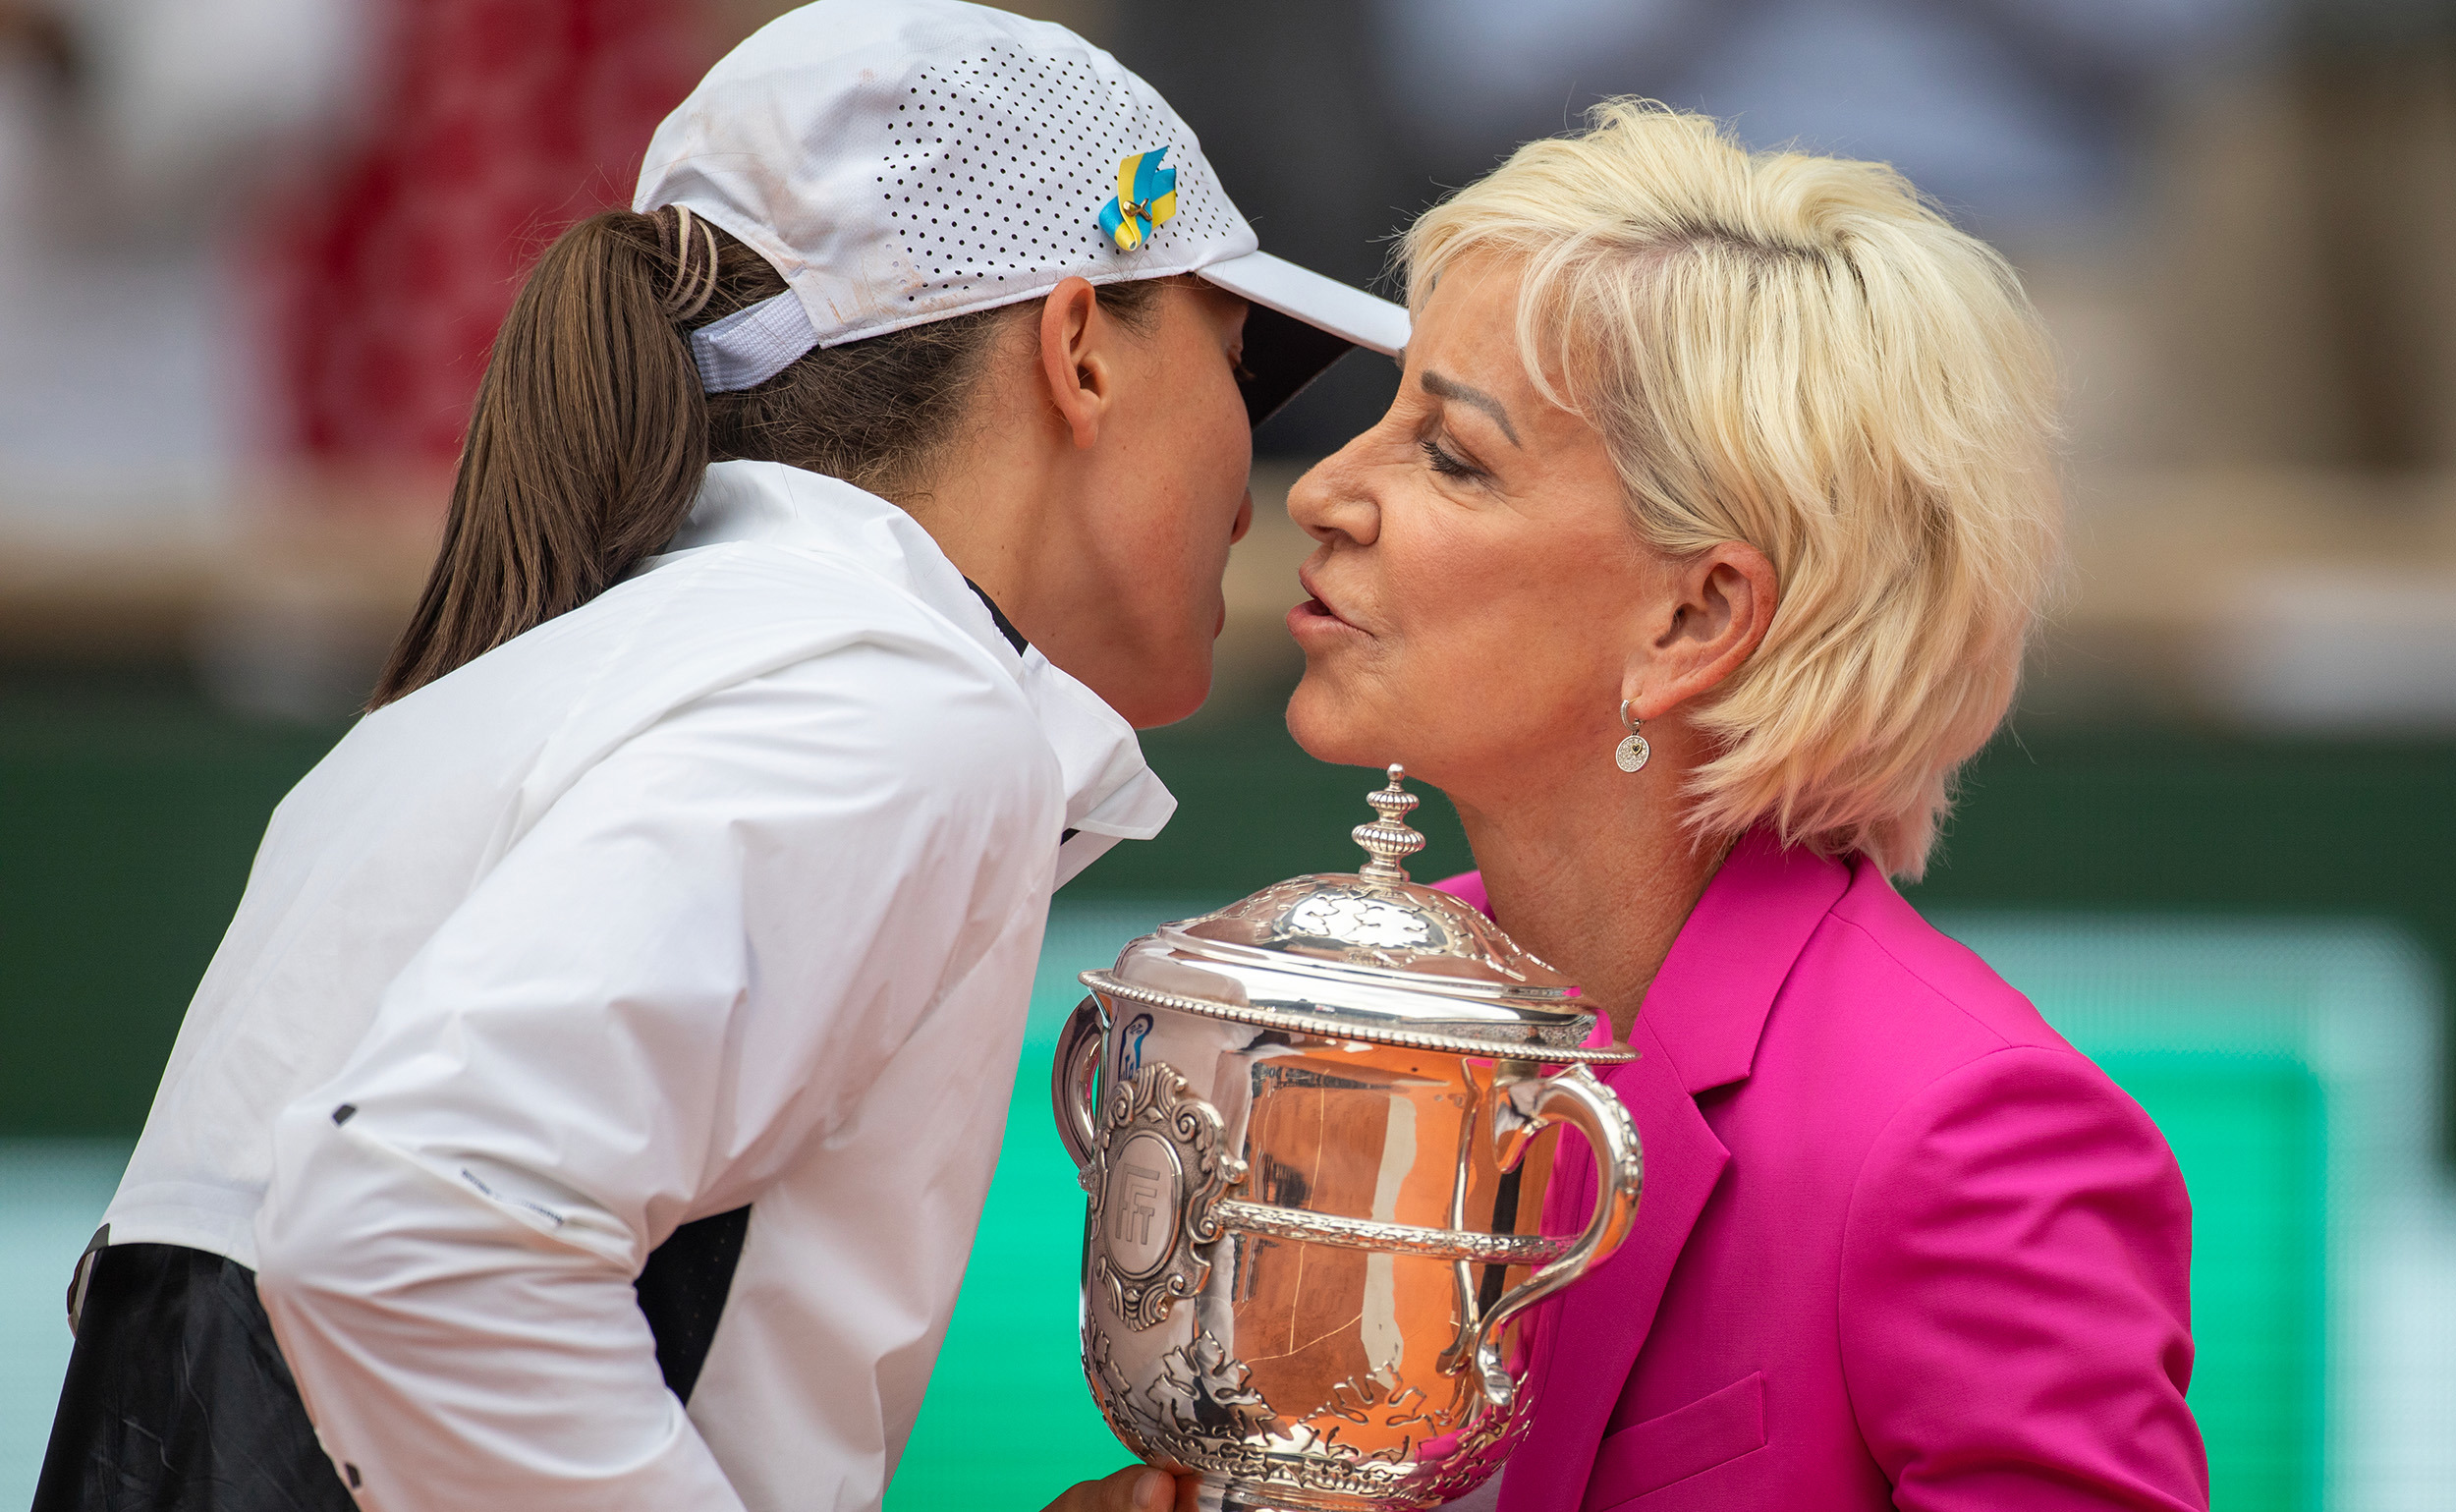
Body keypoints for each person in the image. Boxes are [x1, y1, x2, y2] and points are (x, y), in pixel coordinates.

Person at [34, 4, 1406, 1511]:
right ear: (1078, 352)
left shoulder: (666, 663)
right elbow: (410, 1229)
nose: (1287, 470)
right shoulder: (886, 697)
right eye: (1246, 368)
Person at [1283, 102, 2206, 1510]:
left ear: (1695, 616)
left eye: (1453, 456)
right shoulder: (1351, 1017)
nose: (1329, 491)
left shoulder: (1968, 1137)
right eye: (1384, 421)